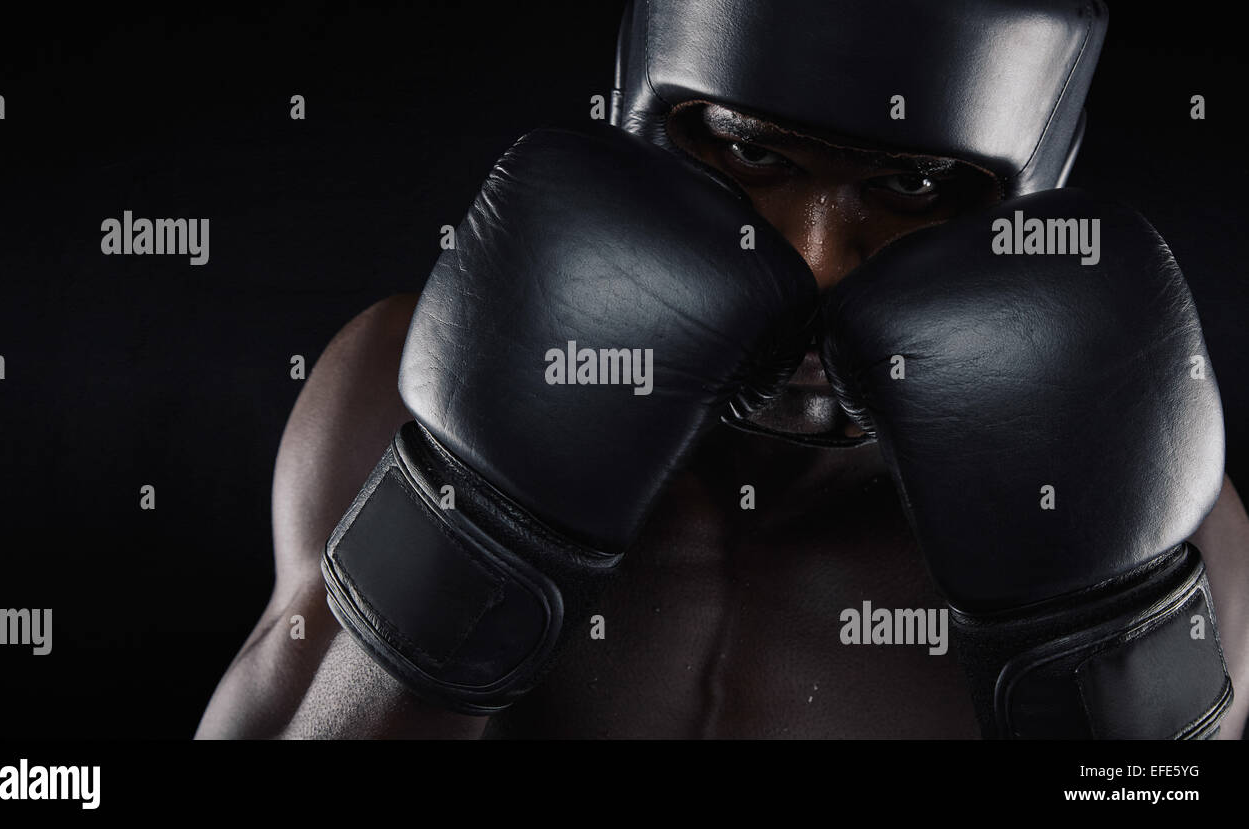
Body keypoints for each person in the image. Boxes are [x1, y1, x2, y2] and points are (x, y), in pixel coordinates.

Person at [196, 0, 1249, 739]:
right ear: (633, 122)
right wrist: (482, 523)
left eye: (913, 185)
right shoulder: (403, 374)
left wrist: (1090, 648)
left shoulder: (1137, 503)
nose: (810, 262)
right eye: (749, 154)